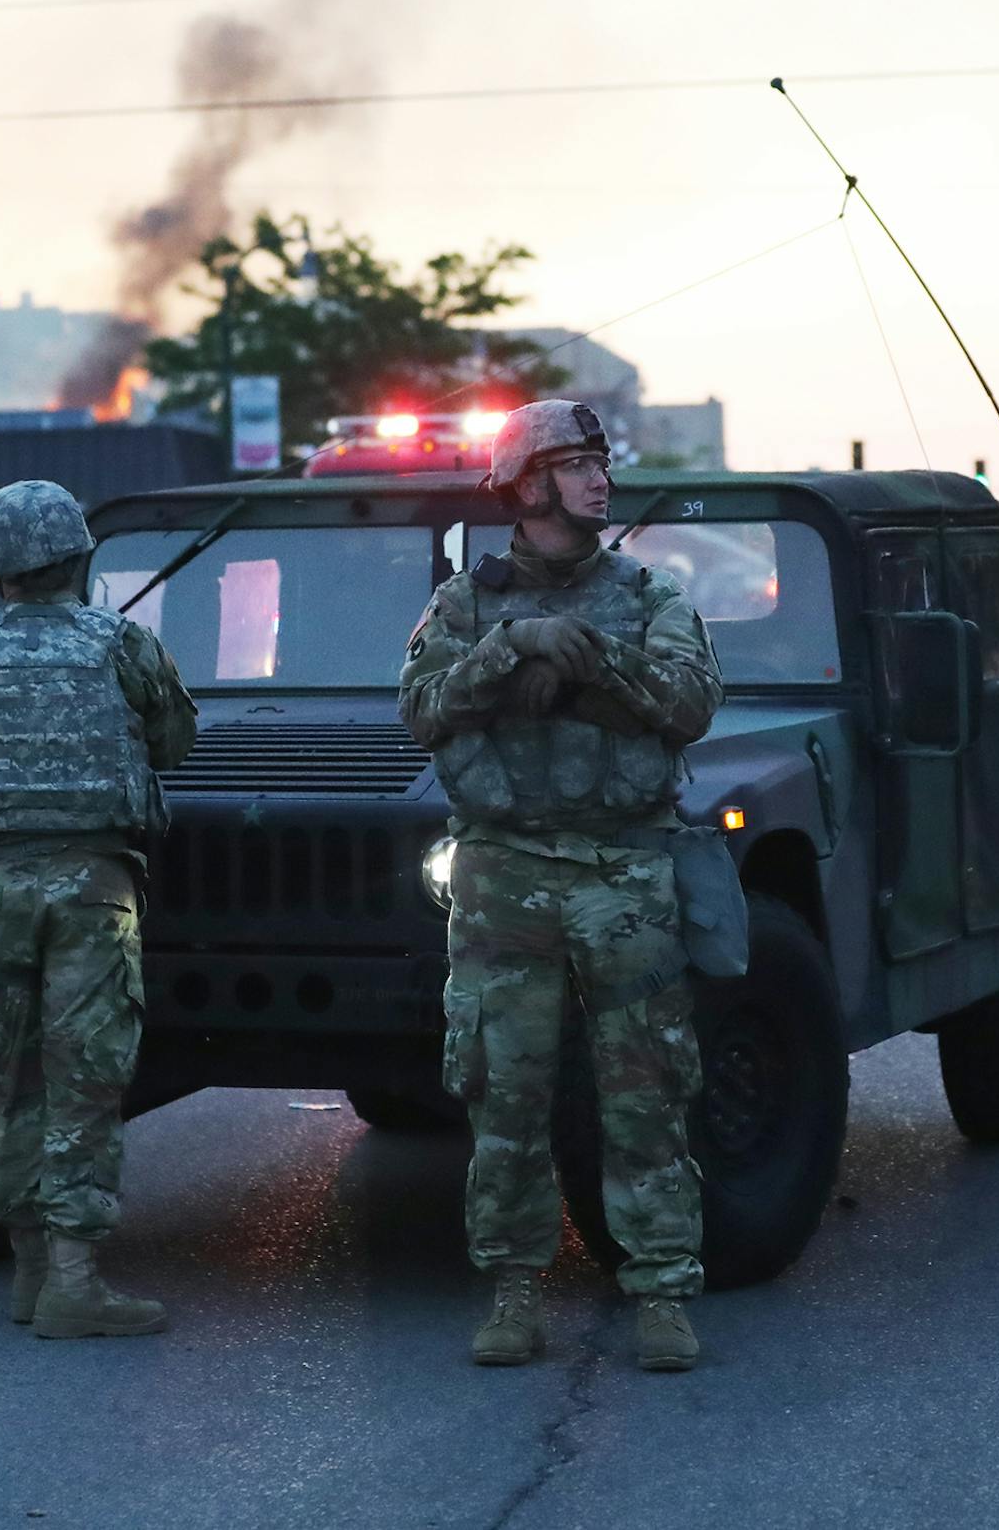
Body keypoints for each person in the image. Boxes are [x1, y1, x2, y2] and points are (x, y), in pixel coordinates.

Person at [398, 399, 723, 1373]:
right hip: (503, 870)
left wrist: (591, 663)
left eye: (601, 462)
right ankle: (512, 1286)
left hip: (622, 865)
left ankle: (661, 1288)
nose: (600, 478)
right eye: (578, 463)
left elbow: (692, 703)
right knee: (505, 1088)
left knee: (646, 1085)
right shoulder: (463, 606)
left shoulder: (652, 593)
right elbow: (418, 710)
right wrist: (512, 649)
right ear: (530, 483)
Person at [0, 480, 196, 1338]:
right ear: (78, 558)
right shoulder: (122, 643)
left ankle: (30, 1271)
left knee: (10, 1078)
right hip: (93, 890)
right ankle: (73, 1279)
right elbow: (176, 740)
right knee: (84, 1077)